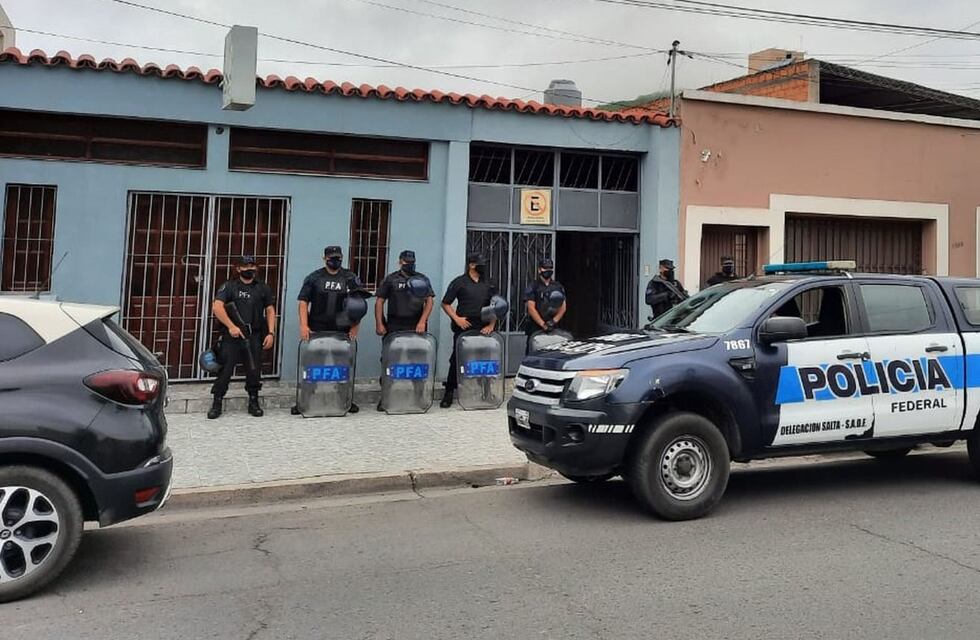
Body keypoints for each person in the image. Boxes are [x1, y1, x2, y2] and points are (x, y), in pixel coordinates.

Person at [293, 245, 371, 414]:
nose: (335, 261)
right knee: (312, 365)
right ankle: (305, 400)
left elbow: (358, 304)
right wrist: (304, 325)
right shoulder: (314, 277)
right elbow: (303, 302)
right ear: (325, 258)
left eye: (338, 258)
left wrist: (355, 327)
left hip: (341, 328)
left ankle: (345, 399)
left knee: (342, 366)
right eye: (332, 258)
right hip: (317, 327)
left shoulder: (350, 277)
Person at [207, 255, 276, 420]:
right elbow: (217, 307)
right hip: (233, 336)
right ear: (238, 268)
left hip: (254, 335)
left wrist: (271, 332)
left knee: (254, 369)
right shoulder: (229, 287)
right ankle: (217, 402)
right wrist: (231, 326)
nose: (249, 269)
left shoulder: (262, 288)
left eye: (252, 266)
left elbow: (270, 310)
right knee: (225, 370)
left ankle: (253, 401)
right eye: (245, 266)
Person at [374, 249, 435, 411]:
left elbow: (429, 301)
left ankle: (418, 397)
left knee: (417, 362)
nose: (410, 264)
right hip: (394, 326)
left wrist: (423, 321)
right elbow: (379, 301)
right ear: (400, 262)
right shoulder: (391, 279)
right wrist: (379, 323)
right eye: (407, 262)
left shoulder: (422, 278)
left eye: (412, 262)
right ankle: (386, 397)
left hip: (416, 326)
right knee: (389, 362)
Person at [440, 252, 496, 409]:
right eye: (481, 263)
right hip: (464, 325)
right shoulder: (459, 282)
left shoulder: (488, 284)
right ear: (471, 265)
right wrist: (457, 319)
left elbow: (495, 306)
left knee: (485, 359)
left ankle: (486, 392)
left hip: (483, 325)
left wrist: (491, 325)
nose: (483, 266)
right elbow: (445, 303)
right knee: (457, 358)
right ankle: (449, 393)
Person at [522, 257, 567, 352]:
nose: (548, 270)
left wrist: (553, 321)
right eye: (545, 268)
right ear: (539, 270)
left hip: (554, 327)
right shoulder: (533, 286)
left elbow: (563, 307)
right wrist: (543, 324)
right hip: (535, 327)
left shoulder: (557, 286)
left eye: (550, 268)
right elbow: (531, 308)